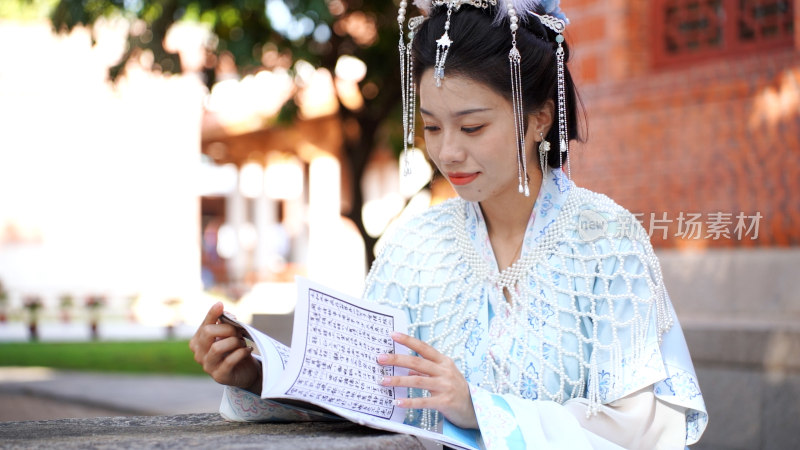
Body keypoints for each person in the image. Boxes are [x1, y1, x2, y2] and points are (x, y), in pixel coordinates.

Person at [190, 1, 708, 448]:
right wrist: (259, 373)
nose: (448, 151)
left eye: (473, 126)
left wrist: (479, 408)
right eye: (432, 127)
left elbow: (645, 431)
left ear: (540, 117)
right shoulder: (415, 247)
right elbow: (366, 398)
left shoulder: (607, 239)